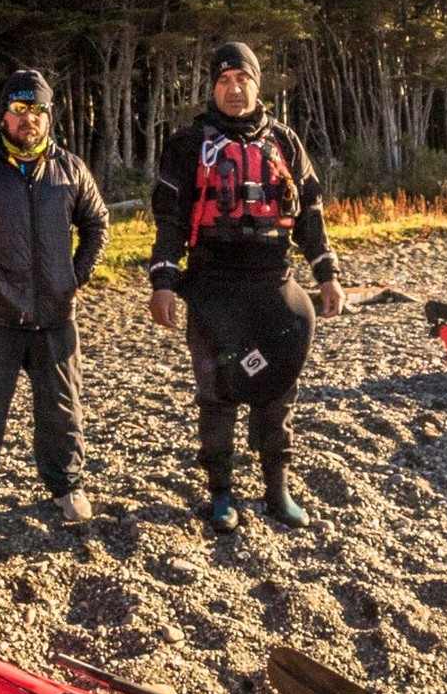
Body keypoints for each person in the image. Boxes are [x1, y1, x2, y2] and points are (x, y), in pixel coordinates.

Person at [147, 41, 343, 533]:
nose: (234, 90)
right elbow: (169, 222)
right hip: (213, 286)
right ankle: (221, 493)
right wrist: (164, 284)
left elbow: (311, 217)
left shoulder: (286, 142)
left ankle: (276, 486)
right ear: (213, 88)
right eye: (224, 82)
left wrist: (328, 276)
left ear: (258, 84)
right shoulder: (189, 145)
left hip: (272, 282)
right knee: (218, 391)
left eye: (243, 80)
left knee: (277, 388)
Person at [0, 68, 111, 539]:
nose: (28, 119)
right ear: (3, 114)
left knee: (62, 410)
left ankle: (66, 486)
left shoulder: (70, 168)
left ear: (49, 116)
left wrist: (77, 273)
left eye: (37, 110)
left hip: (55, 315)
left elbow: (98, 223)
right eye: (19, 109)